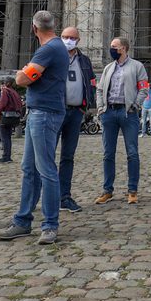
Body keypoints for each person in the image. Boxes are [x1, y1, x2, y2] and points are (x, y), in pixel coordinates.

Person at [0, 10, 69, 245]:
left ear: (33, 28)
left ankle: (49, 225)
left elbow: (23, 80)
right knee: (29, 168)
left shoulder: (49, 49)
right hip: (39, 112)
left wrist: (22, 72)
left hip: (45, 114)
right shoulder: (56, 47)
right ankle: (23, 221)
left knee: (46, 169)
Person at [94, 37, 149, 205]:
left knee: (132, 153)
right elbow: (100, 89)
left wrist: (135, 105)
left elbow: (144, 88)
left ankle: (132, 190)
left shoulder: (137, 66)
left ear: (124, 48)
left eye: (114, 46)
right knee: (107, 153)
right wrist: (101, 108)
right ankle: (107, 190)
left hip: (128, 113)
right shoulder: (108, 67)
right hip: (109, 112)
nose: (111, 49)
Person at [58, 26, 95, 213]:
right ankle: (37, 198)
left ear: (78, 40)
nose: (69, 40)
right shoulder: (52, 56)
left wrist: (85, 106)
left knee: (68, 156)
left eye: (72, 37)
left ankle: (64, 197)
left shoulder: (85, 60)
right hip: (54, 111)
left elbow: (91, 83)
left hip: (75, 112)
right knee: (44, 156)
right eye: (65, 37)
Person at [0, 78, 24, 163]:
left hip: (5, 116)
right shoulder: (14, 92)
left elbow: (2, 104)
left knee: (4, 137)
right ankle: (8, 155)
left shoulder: (5, 91)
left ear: (7, 83)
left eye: (3, 83)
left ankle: (6, 156)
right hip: (14, 117)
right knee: (8, 137)